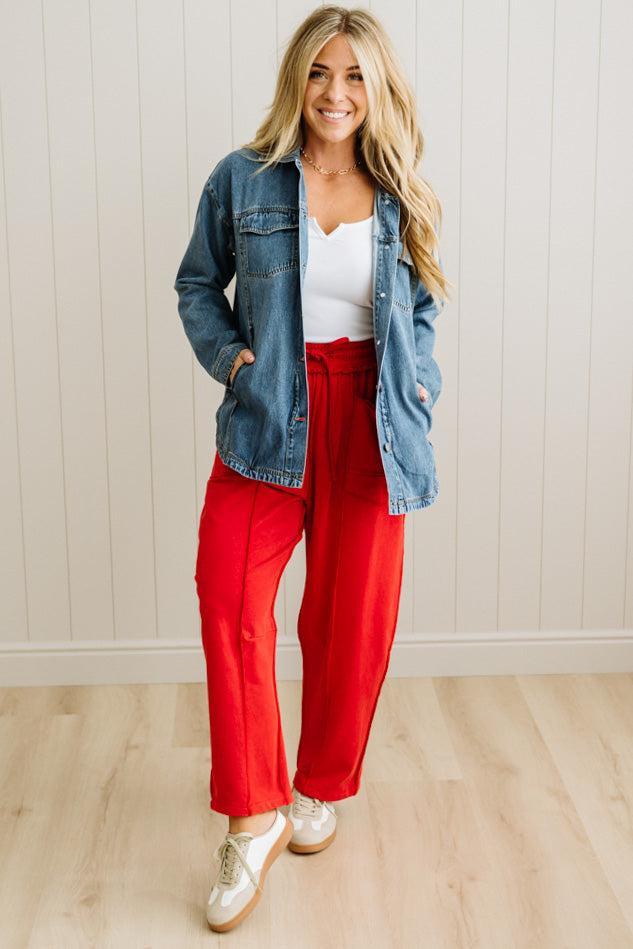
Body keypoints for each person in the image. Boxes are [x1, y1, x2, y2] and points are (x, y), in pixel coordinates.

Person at [173, 5, 450, 934]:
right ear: (297, 79)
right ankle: (249, 815)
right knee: (229, 598)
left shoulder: (399, 190)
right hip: (269, 415)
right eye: (320, 73)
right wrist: (230, 357)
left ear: (378, 89)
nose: (336, 93)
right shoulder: (243, 180)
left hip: (372, 420)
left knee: (351, 619)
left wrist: (420, 389)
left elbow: (418, 311)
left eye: (355, 76)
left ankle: (316, 789)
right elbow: (194, 283)